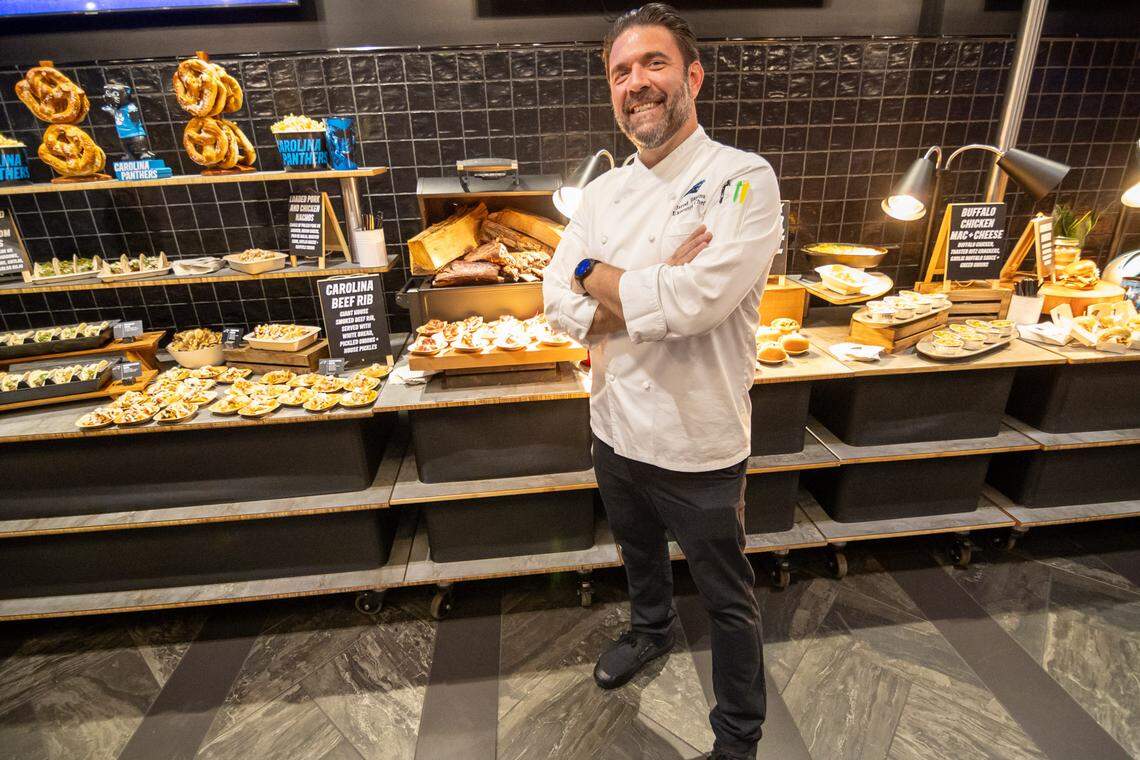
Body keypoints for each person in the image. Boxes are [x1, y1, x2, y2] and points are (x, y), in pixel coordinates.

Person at [542, 5, 782, 759]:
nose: (636, 83)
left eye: (653, 64)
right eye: (620, 72)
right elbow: (555, 295)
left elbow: (696, 302)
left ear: (692, 76)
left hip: (699, 440)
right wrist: (625, 280)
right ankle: (650, 631)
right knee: (637, 555)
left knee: (727, 599)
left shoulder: (742, 179)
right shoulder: (605, 190)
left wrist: (605, 282)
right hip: (614, 424)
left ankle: (738, 738)